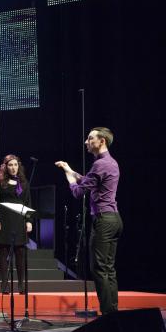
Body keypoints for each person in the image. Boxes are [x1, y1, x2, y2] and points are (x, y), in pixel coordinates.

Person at [56, 127, 122, 314]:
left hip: (104, 221)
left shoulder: (100, 165)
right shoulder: (110, 162)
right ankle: (113, 311)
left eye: (90, 138)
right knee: (108, 269)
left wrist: (69, 178)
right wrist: (71, 170)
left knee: (99, 269)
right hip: (114, 219)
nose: (86, 142)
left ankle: (108, 314)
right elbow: (89, 181)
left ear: (101, 141)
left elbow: (78, 192)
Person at [0, 154, 32, 294]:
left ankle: (21, 284)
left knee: (20, 252)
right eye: (10, 165)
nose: (13, 167)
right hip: (5, 218)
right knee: (4, 251)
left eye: (15, 165)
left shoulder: (24, 182)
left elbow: (28, 202)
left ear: (19, 166)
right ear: (5, 166)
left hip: (19, 219)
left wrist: (29, 220)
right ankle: (4, 284)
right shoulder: (0, 181)